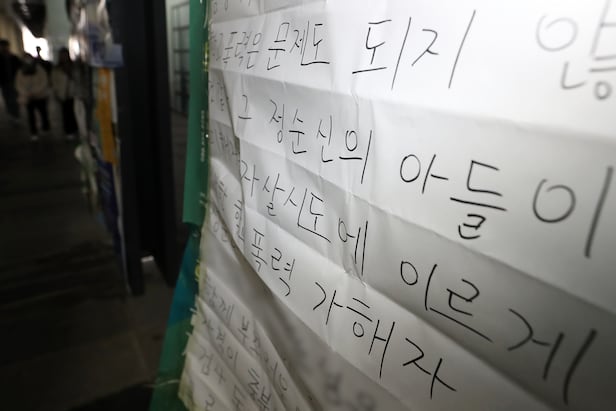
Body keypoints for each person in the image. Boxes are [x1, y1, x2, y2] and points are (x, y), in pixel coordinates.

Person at [15, 54, 50, 141]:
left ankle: (45, 127)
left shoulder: (39, 69)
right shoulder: (20, 71)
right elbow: (18, 84)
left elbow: (44, 81)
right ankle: (33, 132)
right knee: (31, 115)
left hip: (40, 96)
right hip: (28, 97)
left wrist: (36, 91)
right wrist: (26, 92)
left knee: (43, 112)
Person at [51, 48, 78, 141]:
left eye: (65, 55)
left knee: (75, 112)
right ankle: (68, 131)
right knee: (66, 113)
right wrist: (56, 92)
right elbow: (54, 81)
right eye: (62, 55)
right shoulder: (56, 68)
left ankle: (75, 128)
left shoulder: (73, 66)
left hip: (73, 93)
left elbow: (77, 78)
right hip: (62, 94)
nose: (64, 57)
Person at [0, 39, 21, 121]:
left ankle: (15, 114)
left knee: (14, 99)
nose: (3, 48)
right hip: (4, 83)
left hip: (14, 82)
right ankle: (12, 113)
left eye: (5, 46)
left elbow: (19, 69)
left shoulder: (14, 58)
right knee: (7, 99)